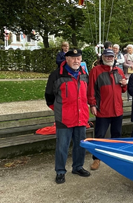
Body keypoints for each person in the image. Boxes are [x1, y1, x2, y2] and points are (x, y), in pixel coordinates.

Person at [45, 48, 90, 184]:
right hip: (64, 118)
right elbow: (49, 97)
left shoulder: (84, 74)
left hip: (81, 117)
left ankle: (77, 167)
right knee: (62, 146)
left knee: (80, 144)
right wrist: (59, 111)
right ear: (67, 59)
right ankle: (60, 171)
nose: (76, 61)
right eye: (73, 58)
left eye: (78, 58)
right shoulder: (56, 75)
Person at [87, 49, 127, 170]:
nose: (109, 58)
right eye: (107, 56)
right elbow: (91, 90)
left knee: (117, 134)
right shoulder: (95, 71)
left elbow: (123, 89)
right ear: (102, 57)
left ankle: (116, 156)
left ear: (115, 57)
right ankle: (96, 159)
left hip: (117, 109)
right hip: (103, 109)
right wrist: (92, 105)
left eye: (111, 56)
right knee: (99, 135)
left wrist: (125, 84)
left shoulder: (119, 71)